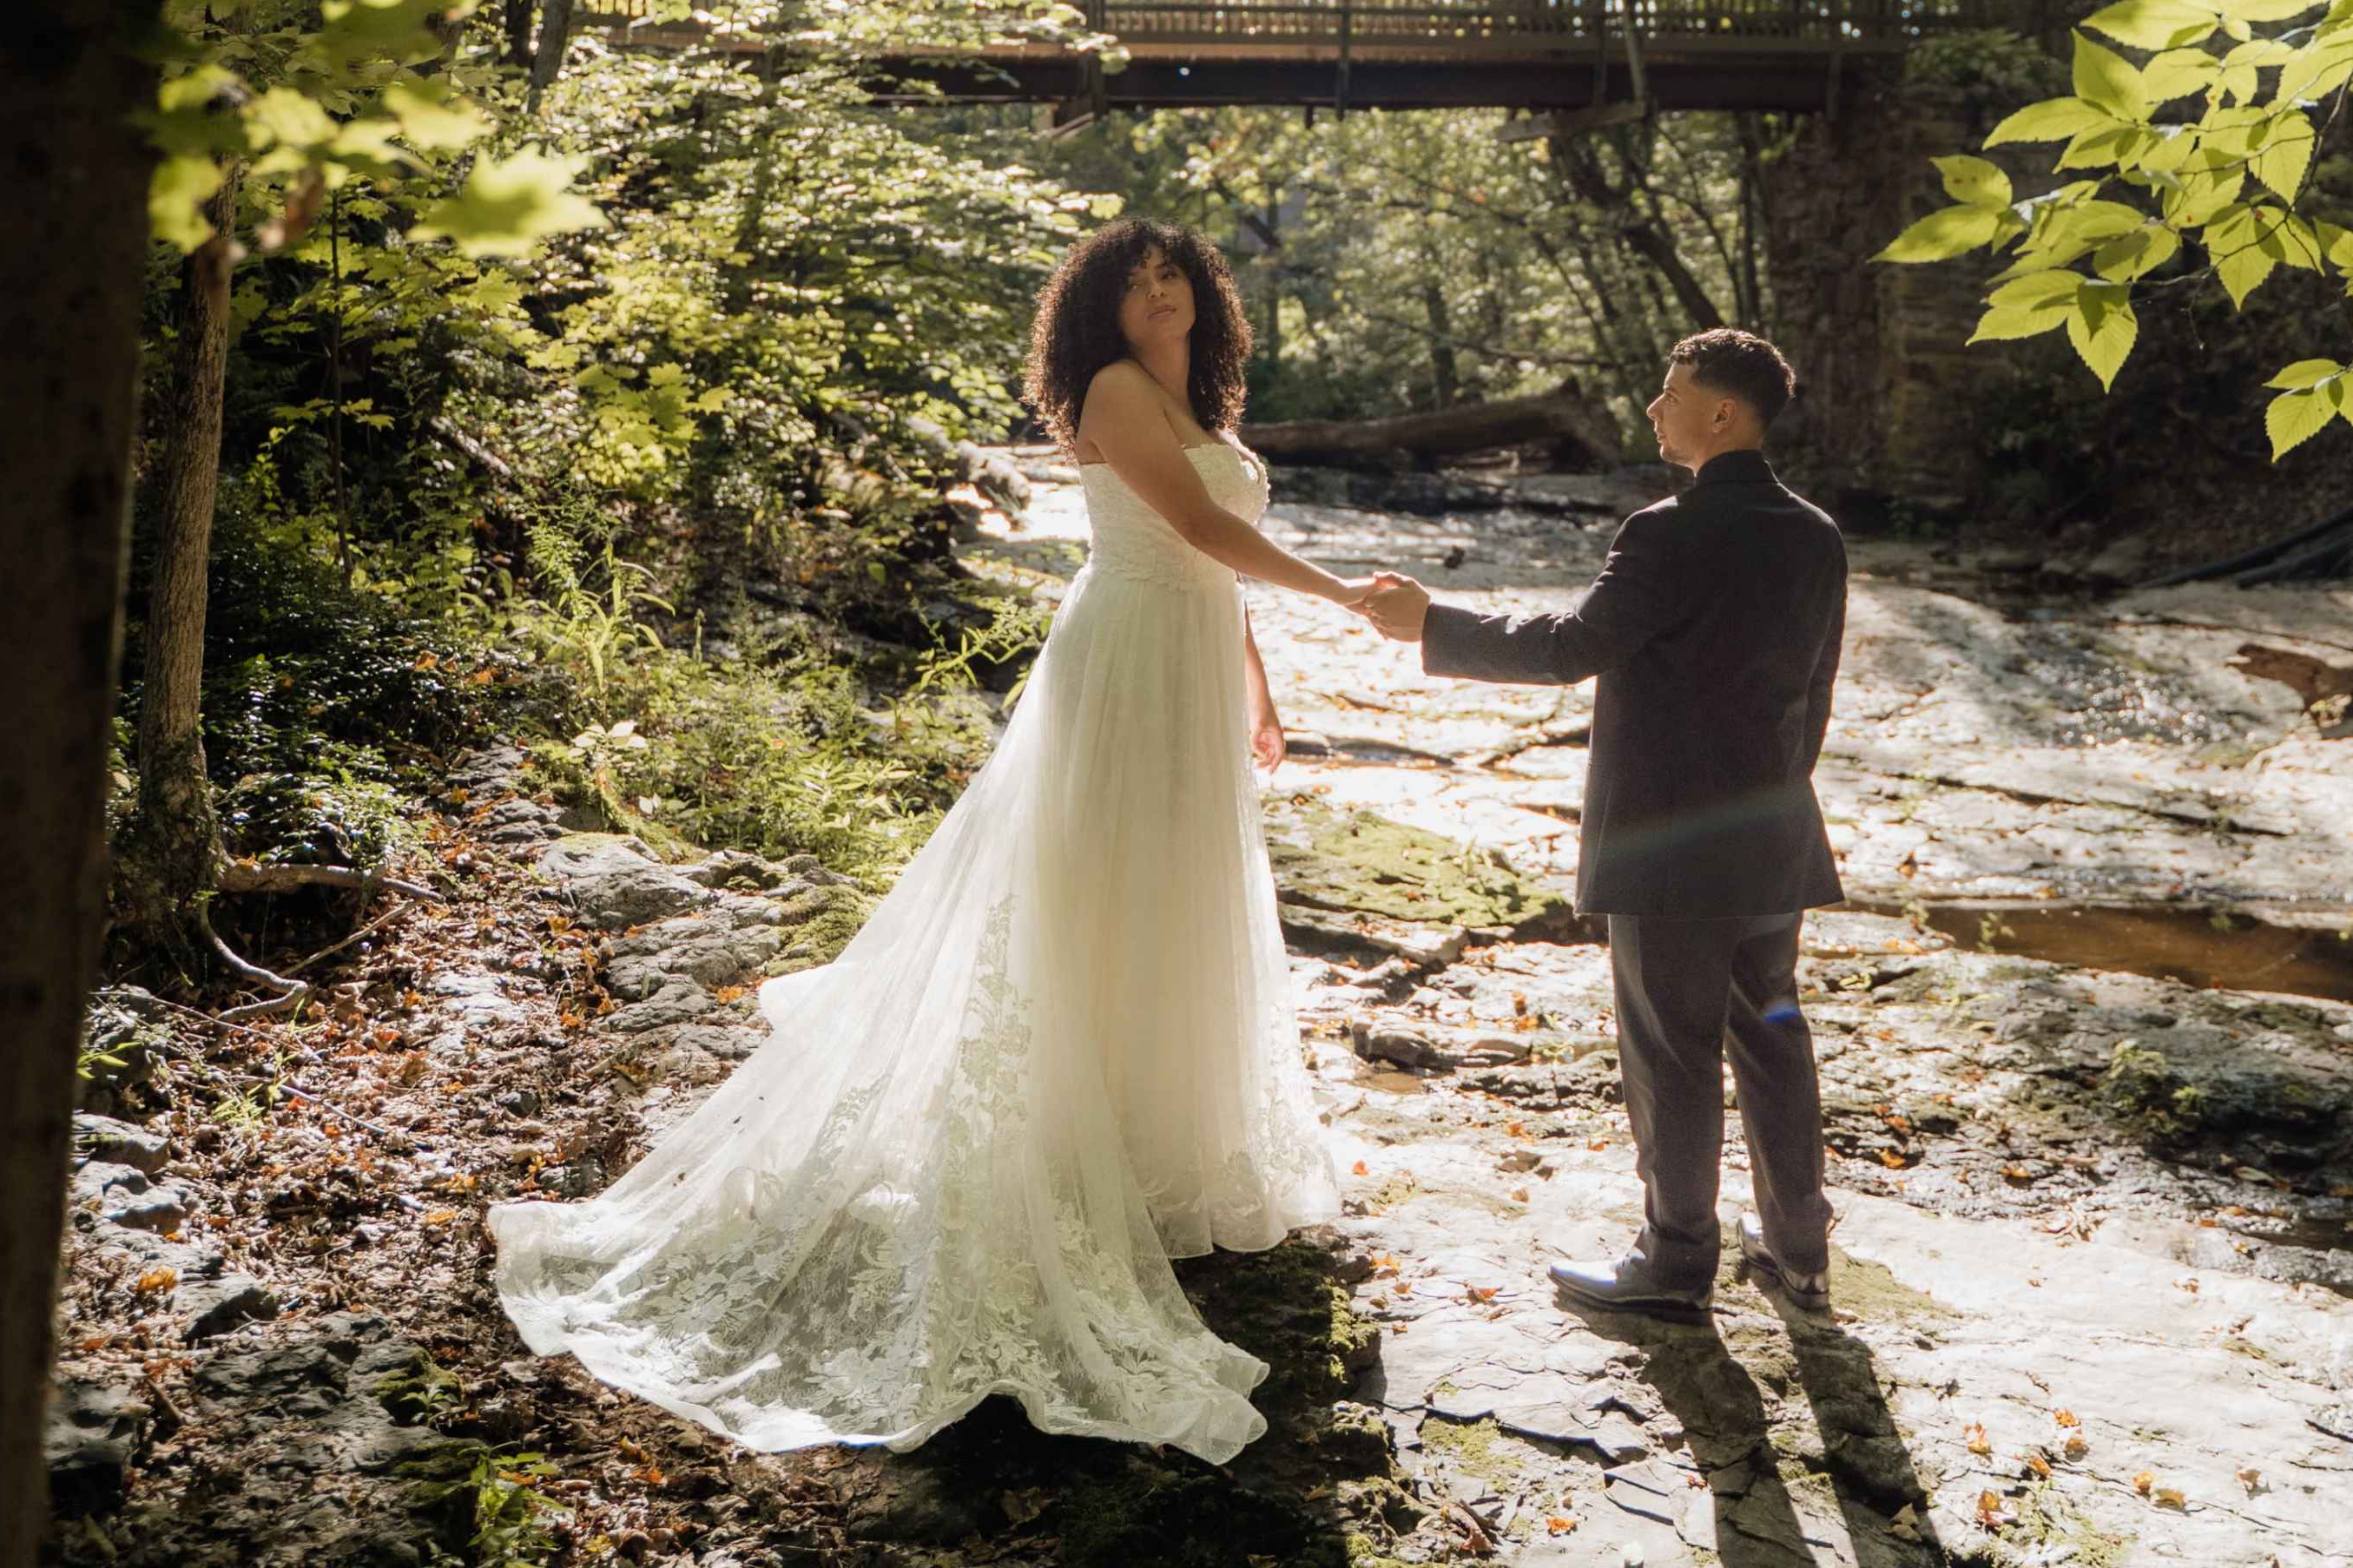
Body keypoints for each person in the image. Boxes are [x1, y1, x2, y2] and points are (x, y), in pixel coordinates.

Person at [488, 220, 1379, 1461]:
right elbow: (1194, 530)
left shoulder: (1207, 407)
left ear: (1203, 296)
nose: (1161, 291)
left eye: (1174, 273)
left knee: (1177, 898)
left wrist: (1260, 682)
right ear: (1103, 315)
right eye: (1135, 282)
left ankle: (1154, 1145)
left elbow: (1215, 568)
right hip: (1122, 663)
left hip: (1188, 658)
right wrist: (1345, 594)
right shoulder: (1116, 390)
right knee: (1099, 890)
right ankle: (1073, 1141)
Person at [1359, 328, 1849, 1320]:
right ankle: (1799, 1253)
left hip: (1669, 849)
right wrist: (1777, 797)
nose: (1655, 411)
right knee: (1775, 1037)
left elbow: (1571, 648)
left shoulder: (1665, 531)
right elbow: (1818, 690)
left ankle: (1674, 1266)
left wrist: (1434, 625)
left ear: (1722, 413)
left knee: (1672, 1053)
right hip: (1773, 835)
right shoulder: (1818, 535)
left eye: (1672, 395)